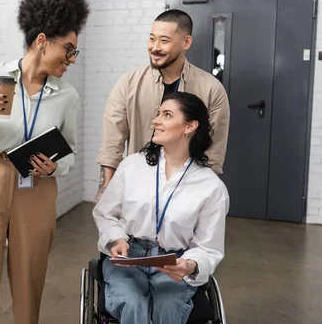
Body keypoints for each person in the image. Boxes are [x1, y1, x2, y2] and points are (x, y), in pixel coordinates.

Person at [0, 0, 89, 324]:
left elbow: (70, 151)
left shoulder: (66, 95)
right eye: (69, 49)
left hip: (37, 185)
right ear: (42, 40)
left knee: (30, 276)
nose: (71, 59)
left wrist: (54, 167)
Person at [92, 91, 229, 324]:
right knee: (132, 302)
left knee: (168, 306)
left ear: (190, 126)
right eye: (158, 114)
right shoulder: (132, 166)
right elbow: (106, 213)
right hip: (128, 257)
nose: (156, 121)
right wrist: (116, 239)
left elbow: (208, 247)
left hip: (174, 261)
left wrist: (190, 265)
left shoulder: (211, 187)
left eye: (166, 115)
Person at [95, 9, 230, 203]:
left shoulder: (211, 89)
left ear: (186, 42)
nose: (155, 47)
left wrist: (200, 198)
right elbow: (112, 142)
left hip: (186, 191)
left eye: (164, 41)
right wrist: (105, 188)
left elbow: (213, 151)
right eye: (152, 39)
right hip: (136, 189)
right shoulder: (128, 83)